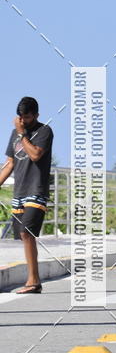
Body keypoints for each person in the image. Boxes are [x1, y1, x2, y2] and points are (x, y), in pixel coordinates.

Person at [0, 97, 53, 293]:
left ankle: (33, 281)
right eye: (20, 118)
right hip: (20, 192)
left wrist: (23, 134)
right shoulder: (15, 133)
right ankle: (34, 281)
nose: (23, 121)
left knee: (26, 232)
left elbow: (36, 155)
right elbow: (10, 163)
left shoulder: (44, 131)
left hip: (36, 189)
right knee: (24, 236)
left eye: (27, 117)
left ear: (36, 115)